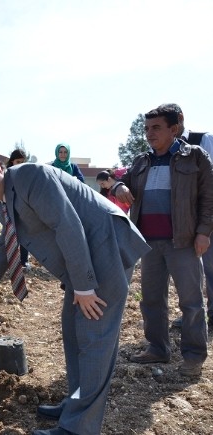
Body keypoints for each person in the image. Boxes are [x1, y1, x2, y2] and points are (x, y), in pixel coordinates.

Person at [0, 155, 150, 435]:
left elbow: (67, 224)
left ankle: (79, 428)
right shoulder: (3, 206)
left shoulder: (29, 177)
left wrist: (83, 287)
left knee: (94, 339)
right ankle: (76, 403)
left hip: (105, 249)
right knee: (73, 332)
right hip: (83, 261)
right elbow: (3, 249)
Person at [114, 105, 212, 377]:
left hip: (183, 242)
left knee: (191, 302)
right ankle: (158, 348)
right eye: (146, 129)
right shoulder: (142, 161)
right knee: (152, 300)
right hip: (148, 242)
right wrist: (119, 186)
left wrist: (204, 231)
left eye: (156, 128)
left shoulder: (195, 157)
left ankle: (193, 357)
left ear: (174, 128)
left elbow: (208, 197)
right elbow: (122, 183)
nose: (149, 134)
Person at [162, 103, 213, 330]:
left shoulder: (204, 140)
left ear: (179, 120)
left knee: (210, 267)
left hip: (206, 217)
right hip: (184, 221)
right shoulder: (165, 149)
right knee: (192, 272)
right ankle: (194, 317)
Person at [6, 148, 30, 268]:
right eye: (17, 162)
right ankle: (11, 261)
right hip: (11, 209)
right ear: (12, 162)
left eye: (22, 162)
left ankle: (24, 260)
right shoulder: (7, 176)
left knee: (25, 235)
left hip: (25, 209)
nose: (20, 164)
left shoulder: (27, 176)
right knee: (12, 236)